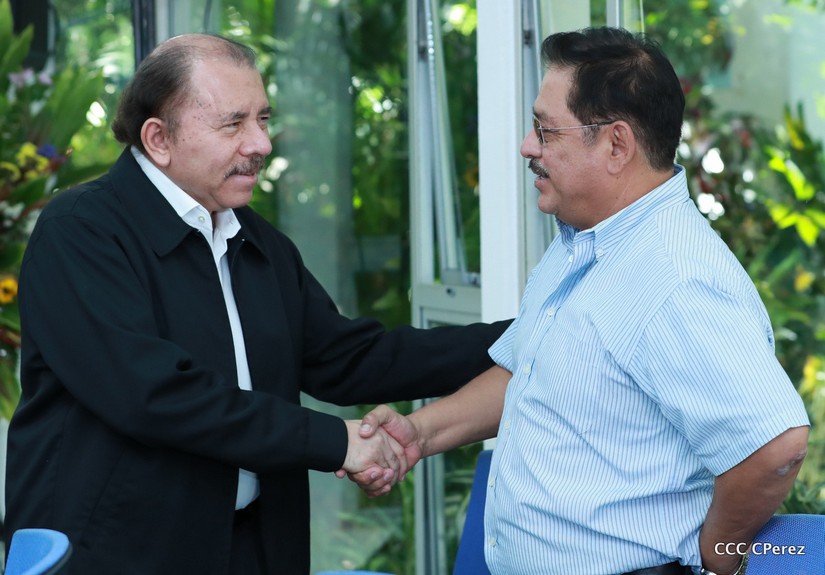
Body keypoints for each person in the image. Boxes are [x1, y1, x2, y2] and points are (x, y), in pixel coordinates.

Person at [4, 33, 509, 575]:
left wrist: (521, 339)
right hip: (116, 557)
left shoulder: (254, 239)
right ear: (158, 139)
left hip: (253, 546)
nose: (261, 144)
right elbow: (153, 394)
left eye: (263, 119)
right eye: (233, 124)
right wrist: (336, 442)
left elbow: (349, 359)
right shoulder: (81, 230)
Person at [350, 26, 811, 575]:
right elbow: (527, 373)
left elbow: (775, 445)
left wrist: (719, 554)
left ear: (616, 145)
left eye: (546, 131)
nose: (528, 147)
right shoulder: (586, 240)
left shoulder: (676, 278)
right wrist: (420, 434)